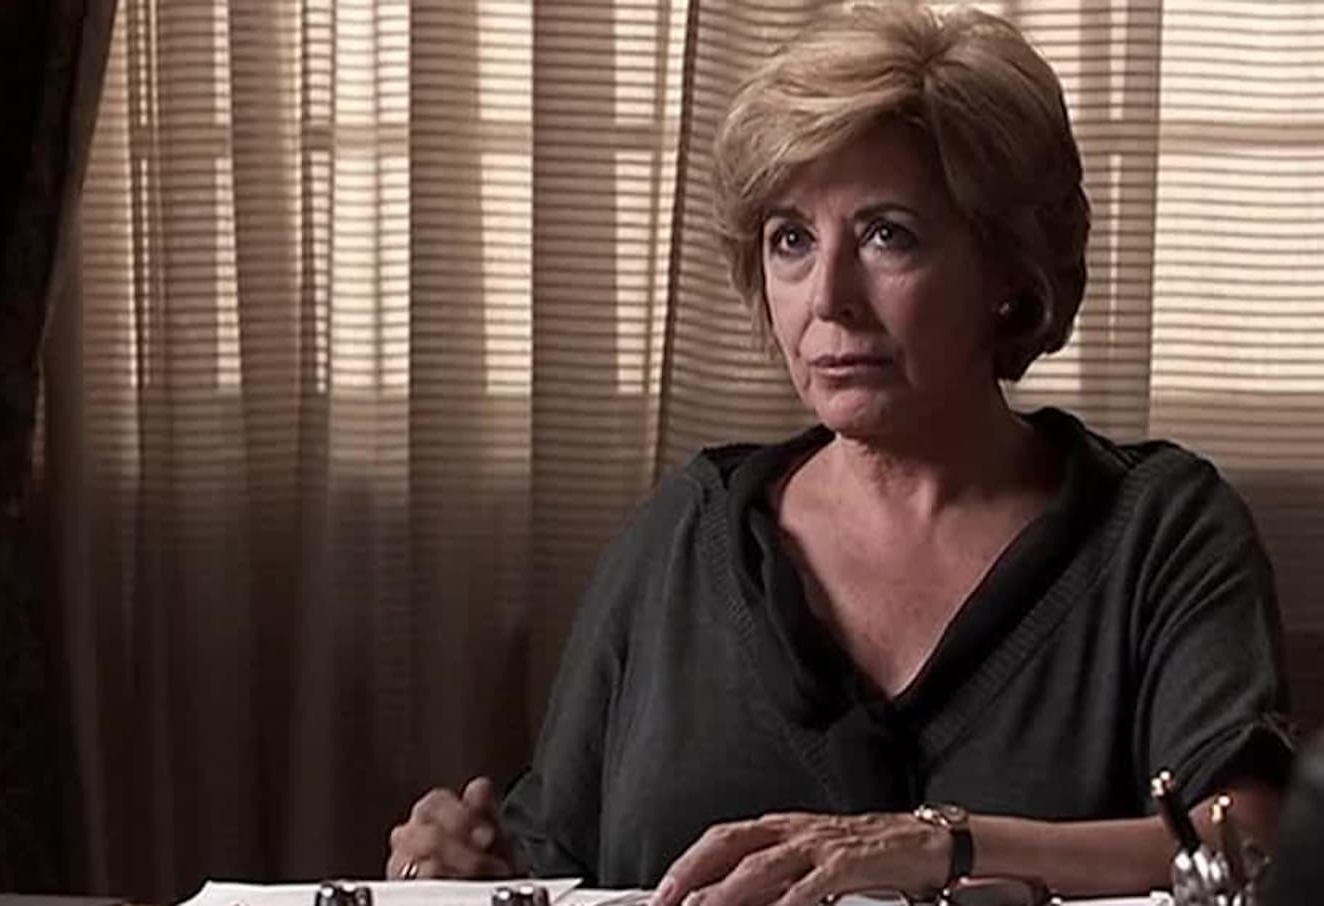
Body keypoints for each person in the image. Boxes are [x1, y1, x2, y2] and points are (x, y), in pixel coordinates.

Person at [386, 4, 1294, 902]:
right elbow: (553, 858)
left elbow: (1249, 841)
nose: (829, 297)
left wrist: (946, 847)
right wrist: (466, 869)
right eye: (791, 239)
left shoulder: (1159, 531)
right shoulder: (687, 535)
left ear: (1011, 273)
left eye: (886, 235)